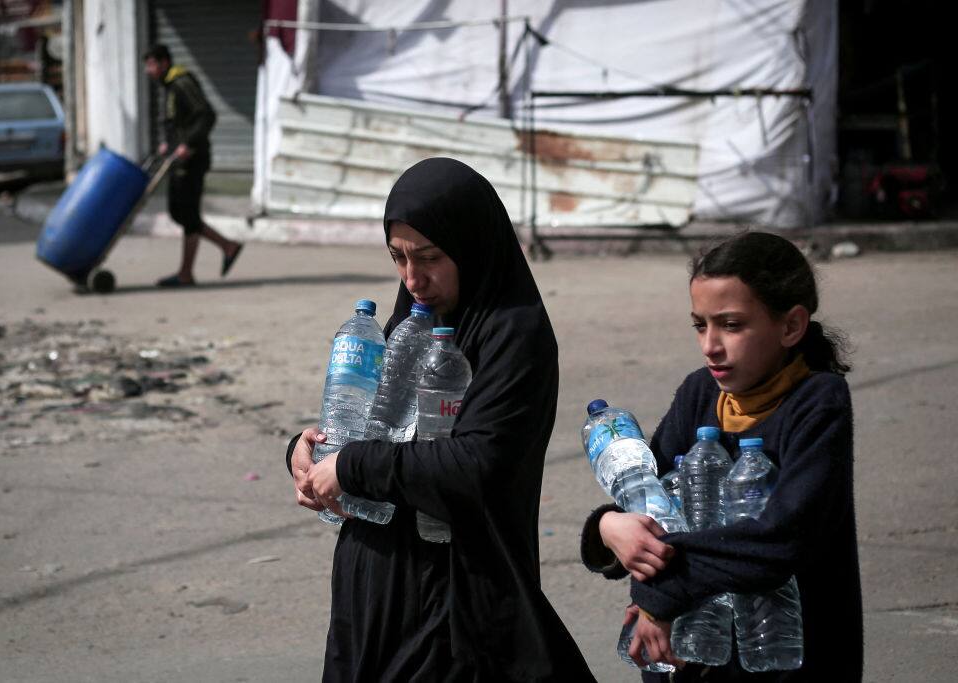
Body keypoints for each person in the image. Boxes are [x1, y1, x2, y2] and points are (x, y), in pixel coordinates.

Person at [288, 157, 595, 681]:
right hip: (375, 593)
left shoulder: (513, 336)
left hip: (454, 594)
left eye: (429, 257)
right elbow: (378, 423)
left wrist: (353, 466)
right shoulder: (412, 320)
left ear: (471, 245)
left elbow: (476, 464)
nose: (413, 278)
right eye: (398, 258)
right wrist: (309, 450)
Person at [580, 231, 861, 681]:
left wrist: (662, 593)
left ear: (791, 325)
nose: (710, 344)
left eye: (731, 325)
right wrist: (607, 528)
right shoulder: (700, 393)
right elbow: (650, 500)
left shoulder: (817, 402)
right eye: (700, 325)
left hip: (784, 657)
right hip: (692, 653)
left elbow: (781, 538)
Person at [142, 44, 243, 287]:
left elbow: (207, 115)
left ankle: (188, 272)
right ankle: (227, 247)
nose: (148, 70)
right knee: (179, 212)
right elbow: (179, 121)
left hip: (193, 159)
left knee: (187, 214)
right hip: (179, 160)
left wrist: (187, 144)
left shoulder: (181, 83)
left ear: (164, 63)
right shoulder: (169, 86)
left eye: (151, 65)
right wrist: (169, 143)